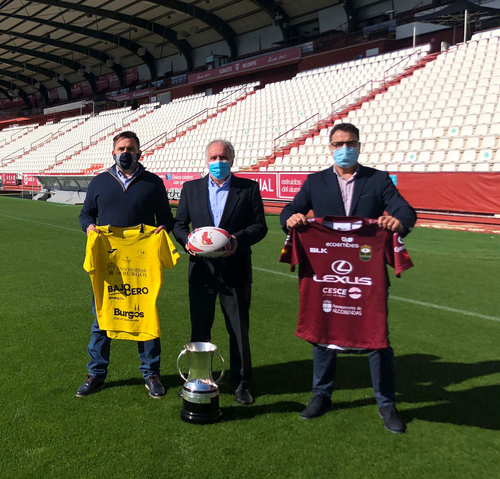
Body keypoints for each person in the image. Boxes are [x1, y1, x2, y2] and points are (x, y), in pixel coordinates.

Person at [280, 123, 416, 433]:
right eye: (339, 143)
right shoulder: (315, 182)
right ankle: (321, 395)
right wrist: (292, 218)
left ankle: (386, 403)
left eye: (350, 143)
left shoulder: (378, 180)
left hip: (366, 277)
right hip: (326, 276)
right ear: (330, 147)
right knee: (323, 332)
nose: (345, 148)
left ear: (359, 145)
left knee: (377, 337)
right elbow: (290, 209)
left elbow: (404, 210)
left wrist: (398, 221)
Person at [77, 131, 175, 398]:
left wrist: (161, 230)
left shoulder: (153, 183)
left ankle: (151, 373)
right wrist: (89, 228)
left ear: (140, 152)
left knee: (144, 314)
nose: (125, 152)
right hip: (110, 262)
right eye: (121, 148)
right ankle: (96, 374)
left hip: (142, 263)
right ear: (113, 152)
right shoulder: (99, 182)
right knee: (103, 316)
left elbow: (166, 218)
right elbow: (85, 213)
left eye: (130, 148)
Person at [173, 139, 268, 405]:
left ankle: (240, 383)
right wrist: (187, 242)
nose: (218, 162)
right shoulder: (190, 189)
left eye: (223, 157)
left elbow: (260, 226)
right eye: (213, 157)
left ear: (232, 160)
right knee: (200, 329)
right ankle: (201, 377)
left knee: (238, 330)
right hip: (201, 272)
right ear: (207, 160)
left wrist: (235, 240)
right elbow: (179, 224)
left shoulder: (247, 189)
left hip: (235, 270)